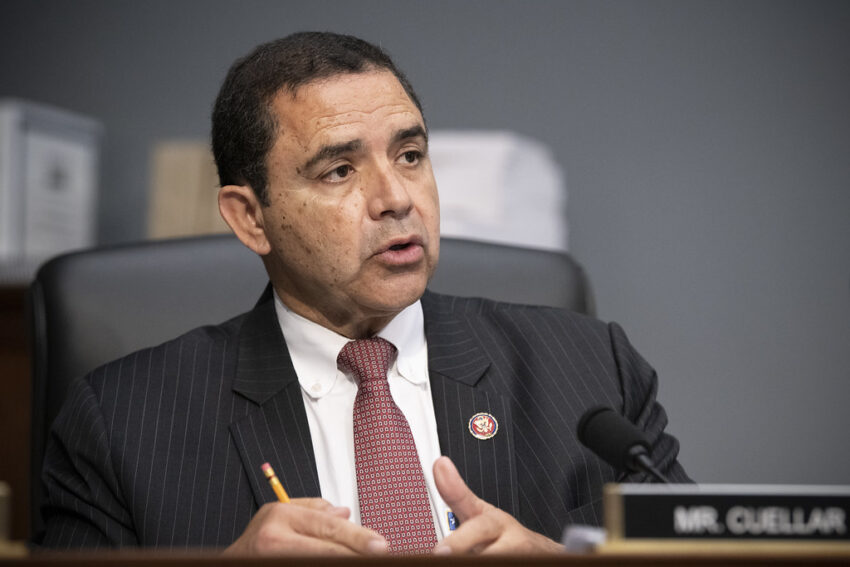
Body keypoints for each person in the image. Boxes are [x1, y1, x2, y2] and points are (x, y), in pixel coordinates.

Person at [38, 32, 689, 555]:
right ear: (250, 218)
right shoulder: (122, 422)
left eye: (410, 156)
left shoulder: (591, 370)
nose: (396, 198)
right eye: (340, 170)